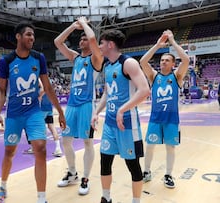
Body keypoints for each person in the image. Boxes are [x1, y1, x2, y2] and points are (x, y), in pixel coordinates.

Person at [0, 22, 66, 203]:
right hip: (14, 114)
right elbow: (2, 91)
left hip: (34, 111)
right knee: (9, 152)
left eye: (33, 35)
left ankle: (41, 198)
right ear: (18, 37)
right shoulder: (7, 61)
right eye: (28, 35)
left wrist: (60, 112)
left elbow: (47, 87)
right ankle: (2, 186)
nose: (32, 38)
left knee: (40, 149)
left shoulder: (38, 58)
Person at [91, 29, 150, 203]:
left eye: (101, 43)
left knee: (132, 165)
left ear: (110, 44)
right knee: (105, 161)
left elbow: (145, 90)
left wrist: (122, 109)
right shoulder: (108, 66)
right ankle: (106, 197)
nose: (99, 46)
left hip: (127, 124)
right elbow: (107, 94)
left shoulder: (129, 63)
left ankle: (136, 200)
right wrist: (96, 112)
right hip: (110, 123)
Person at [54, 16, 103, 195]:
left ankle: (85, 178)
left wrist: (84, 23)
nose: (82, 40)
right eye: (80, 39)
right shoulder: (75, 58)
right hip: (72, 105)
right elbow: (57, 42)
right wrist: (72, 27)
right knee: (65, 141)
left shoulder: (96, 59)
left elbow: (91, 39)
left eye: (84, 39)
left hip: (86, 106)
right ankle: (72, 172)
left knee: (87, 142)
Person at [139, 29, 190, 189]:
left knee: (170, 148)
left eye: (167, 60)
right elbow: (142, 62)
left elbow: (186, 60)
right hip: (155, 119)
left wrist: (173, 42)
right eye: (162, 60)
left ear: (173, 64)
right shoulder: (154, 77)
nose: (163, 62)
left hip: (171, 120)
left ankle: (168, 175)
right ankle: (146, 172)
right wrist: (157, 45)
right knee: (150, 146)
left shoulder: (176, 77)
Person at [23, 80, 62, 157]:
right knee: (51, 127)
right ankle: (58, 148)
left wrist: (39, 96)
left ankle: (37, 148)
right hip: (49, 107)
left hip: (42, 108)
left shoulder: (38, 78)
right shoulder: (49, 80)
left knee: (34, 127)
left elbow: (43, 88)